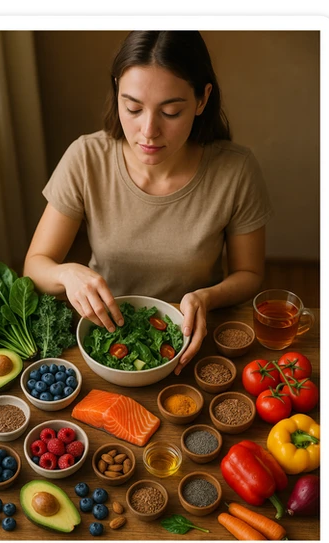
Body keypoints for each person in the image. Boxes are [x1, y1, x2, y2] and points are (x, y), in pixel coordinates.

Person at [23, 30, 274, 375]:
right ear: (117, 92)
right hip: (105, 340)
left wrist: (207, 297)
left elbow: (250, 273)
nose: (148, 131)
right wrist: (66, 273)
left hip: (191, 342)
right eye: (133, 108)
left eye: (170, 112)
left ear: (202, 100)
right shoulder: (86, 157)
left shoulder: (236, 169)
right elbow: (35, 265)